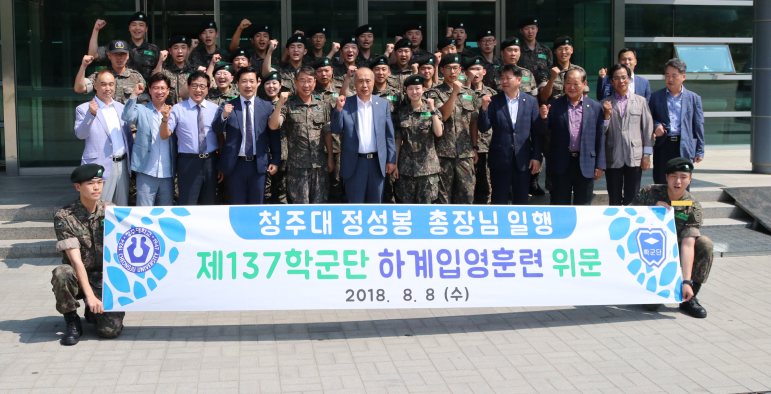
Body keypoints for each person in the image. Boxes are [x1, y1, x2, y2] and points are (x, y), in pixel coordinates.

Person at [629, 158, 714, 318]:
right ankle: (639, 285)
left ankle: (689, 297)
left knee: (705, 244)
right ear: (666, 177)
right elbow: (627, 217)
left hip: (677, 250)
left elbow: (688, 244)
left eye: (683, 176)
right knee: (650, 306)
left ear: (690, 180)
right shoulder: (650, 193)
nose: (678, 181)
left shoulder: (692, 206)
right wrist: (650, 211)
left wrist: (686, 282)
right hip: (649, 250)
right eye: (674, 176)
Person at [52, 164, 126, 346]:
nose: (96, 188)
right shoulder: (64, 216)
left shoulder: (110, 210)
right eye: (91, 183)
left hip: (103, 278)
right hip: (77, 277)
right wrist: (91, 296)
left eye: (100, 182)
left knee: (110, 331)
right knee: (62, 273)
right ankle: (72, 320)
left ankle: (92, 312)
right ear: (78, 187)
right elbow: (76, 262)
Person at [482, 37, 543, 197]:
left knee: (521, 199)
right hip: (500, 158)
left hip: (523, 159)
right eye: (502, 78)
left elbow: (536, 132)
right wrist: (483, 109)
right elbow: (484, 127)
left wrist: (536, 156)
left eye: (508, 78)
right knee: (499, 199)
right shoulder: (494, 100)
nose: (504, 81)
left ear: (519, 80)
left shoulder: (530, 101)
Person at [212, 66, 280, 204]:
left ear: (258, 82)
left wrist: (275, 160)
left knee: (257, 204)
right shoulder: (228, 105)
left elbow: (273, 135)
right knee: (237, 204)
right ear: (237, 84)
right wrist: (224, 115)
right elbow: (216, 129)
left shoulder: (266, 106)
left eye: (251, 81)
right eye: (244, 81)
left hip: (258, 164)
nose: (248, 85)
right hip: (235, 165)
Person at [268, 66, 334, 204]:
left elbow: (327, 132)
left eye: (309, 80)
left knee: (319, 204)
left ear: (315, 82)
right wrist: (280, 103)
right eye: (302, 80)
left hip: (319, 165)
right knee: (300, 205)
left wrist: (330, 157)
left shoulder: (322, 105)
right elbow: (273, 125)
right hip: (297, 167)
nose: (306, 85)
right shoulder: (288, 105)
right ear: (295, 82)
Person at [331, 68, 397, 203]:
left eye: (368, 81)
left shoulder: (383, 104)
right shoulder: (346, 104)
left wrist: (391, 159)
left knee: (375, 204)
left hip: (377, 163)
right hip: (355, 164)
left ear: (373, 83)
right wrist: (338, 110)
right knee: (355, 205)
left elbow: (389, 134)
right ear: (354, 84)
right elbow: (336, 129)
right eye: (360, 81)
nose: (364, 85)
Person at [544, 68, 605, 205]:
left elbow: (600, 138)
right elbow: (542, 132)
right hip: (561, 163)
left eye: (576, 83)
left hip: (585, 164)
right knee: (560, 204)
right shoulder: (553, 106)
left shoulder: (595, 107)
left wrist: (599, 165)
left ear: (584, 84)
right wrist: (543, 118)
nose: (572, 87)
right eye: (568, 83)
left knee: (583, 206)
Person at [74, 70, 134, 206]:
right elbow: (80, 134)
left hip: (123, 165)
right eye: (103, 84)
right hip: (99, 165)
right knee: (100, 208)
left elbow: (128, 138)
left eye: (111, 84)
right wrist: (91, 114)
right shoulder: (83, 109)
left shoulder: (121, 108)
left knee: (121, 207)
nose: (108, 88)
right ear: (95, 86)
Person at [425, 54, 479, 205]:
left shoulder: (470, 94)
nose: (453, 72)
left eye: (456, 68)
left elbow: (473, 122)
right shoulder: (433, 93)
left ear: (461, 70)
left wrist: (475, 147)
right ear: (441, 70)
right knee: (443, 198)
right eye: (448, 68)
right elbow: (443, 116)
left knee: (466, 196)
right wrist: (454, 94)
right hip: (442, 153)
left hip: (465, 153)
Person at [160, 71, 220, 205]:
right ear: (188, 86)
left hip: (211, 161)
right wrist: (164, 119)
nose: (198, 90)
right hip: (188, 162)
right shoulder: (177, 109)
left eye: (202, 86)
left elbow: (220, 136)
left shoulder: (215, 109)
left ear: (208, 89)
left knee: (209, 203)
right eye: (194, 85)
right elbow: (165, 135)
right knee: (188, 203)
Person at [601, 63, 654, 206]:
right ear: (611, 82)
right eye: (617, 78)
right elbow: (601, 132)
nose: (621, 81)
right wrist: (606, 115)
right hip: (613, 156)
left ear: (629, 79)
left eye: (624, 77)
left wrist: (647, 155)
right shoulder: (605, 103)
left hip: (635, 156)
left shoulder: (641, 101)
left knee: (633, 197)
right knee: (614, 198)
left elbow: (648, 128)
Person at [122, 74, 177, 206]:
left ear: (168, 91)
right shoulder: (142, 109)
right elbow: (127, 116)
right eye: (156, 88)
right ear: (150, 90)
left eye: (163, 88)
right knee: (144, 212)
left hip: (167, 172)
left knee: (165, 212)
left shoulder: (174, 111)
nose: (160, 92)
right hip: (146, 170)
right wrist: (134, 95)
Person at [649, 58, 705, 185]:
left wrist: (699, 150)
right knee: (661, 181)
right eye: (667, 75)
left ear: (683, 77)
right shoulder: (655, 97)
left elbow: (698, 125)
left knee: (682, 183)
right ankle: (663, 205)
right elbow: (649, 119)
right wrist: (656, 126)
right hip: (663, 144)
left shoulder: (693, 98)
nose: (670, 79)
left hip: (684, 146)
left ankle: (681, 206)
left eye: (674, 75)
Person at [394, 74, 443, 204]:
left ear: (423, 90)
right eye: (410, 89)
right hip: (406, 168)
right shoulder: (402, 112)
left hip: (428, 169)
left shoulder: (433, 111)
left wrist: (432, 110)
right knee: (407, 207)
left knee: (426, 208)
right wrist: (396, 165)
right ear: (406, 91)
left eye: (417, 88)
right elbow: (398, 140)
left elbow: (438, 133)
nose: (414, 92)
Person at [88, 12, 160, 81]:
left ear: (146, 29)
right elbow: (93, 55)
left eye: (141, 25)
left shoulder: (154, 49)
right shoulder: (119, 46)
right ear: (129, 28)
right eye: (134, 25)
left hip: (145, 92)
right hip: (121, 91)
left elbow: (158, 74)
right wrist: (96, 30)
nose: (137, 28)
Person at [313, 57, 346, 203]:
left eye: (326, 70)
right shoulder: (309, 91)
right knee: (319, 185)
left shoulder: (340, 89)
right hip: (315, 147)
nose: (323, 74)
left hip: (338, 146)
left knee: (337, 183)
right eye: (319, 71)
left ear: (332, 70)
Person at [464, 56, 497, 205]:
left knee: (486, 186)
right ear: (465, 72)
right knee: (467, 188)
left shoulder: (492, 94)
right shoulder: (460, 93)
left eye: (478, 69)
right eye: (472, 69)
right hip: (464, 147)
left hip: (487, 146)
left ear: (484, 72)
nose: (475, 73)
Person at [75, 40, 145, 104]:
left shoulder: (136, 77)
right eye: (115, 54)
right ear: (109, 55)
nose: (119, 57)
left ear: (127, 56)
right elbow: (79, 88)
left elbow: (143, 100)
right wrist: (83, 66)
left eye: (122, 54)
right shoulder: (101, 76)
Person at [153, 35, 199, 105]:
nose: (179, 51)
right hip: (168, 112)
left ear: (188, 50)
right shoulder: (164, 69)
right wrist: (160, 62)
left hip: (189, 111)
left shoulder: (195, 70)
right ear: (170, 51)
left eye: (183, 47)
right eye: (175, 48)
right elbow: (153, 82)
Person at [517, 17, 553, 86]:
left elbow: (550, 69)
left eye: (533, 28)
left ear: (537, 29)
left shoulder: (545, 50)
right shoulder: (518, 50)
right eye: (527, 29)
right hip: (524, 87)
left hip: (543, 88)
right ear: (521, 31)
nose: (530, 32)